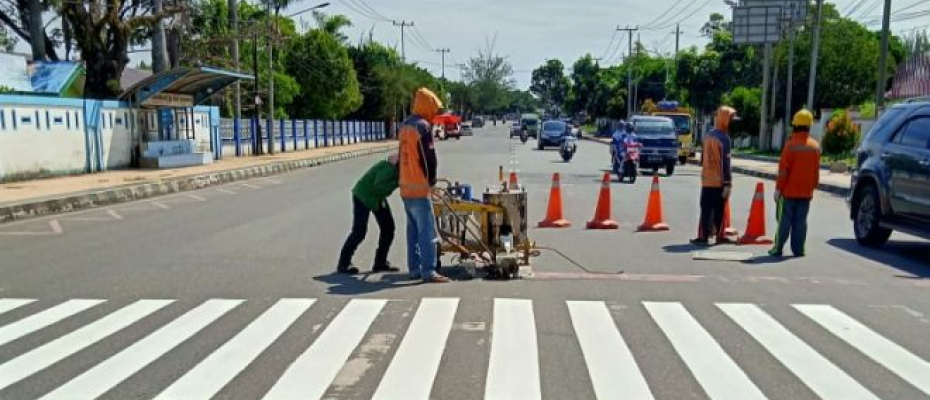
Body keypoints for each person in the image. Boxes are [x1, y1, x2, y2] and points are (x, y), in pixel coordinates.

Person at [399, 88, 450, 283]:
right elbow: (429, 159)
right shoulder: (422, 127)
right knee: (427, 231)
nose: (435, 112)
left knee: (412, 231)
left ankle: (414, 269)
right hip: (419, 187)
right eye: (434, 108)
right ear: (427, 105)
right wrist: (432, 182)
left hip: (406, 187)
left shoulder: (405, 125)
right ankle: (428, 271)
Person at [336, 154, 402, 275]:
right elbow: (378, 185)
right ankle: (343, 263)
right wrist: (397, 183)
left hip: (377, 197)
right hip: (363, 195)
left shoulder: (396, 167)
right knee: (359, 231)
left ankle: (380, 262)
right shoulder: (389, 169)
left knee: (388, 228)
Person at [770, 109, 821, 257]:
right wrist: (813, 187)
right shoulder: (815, 146)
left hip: (789, 192)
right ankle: (799, 250)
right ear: (809, 126)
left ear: (795, 125)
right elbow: (816, 170)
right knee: (800, 221)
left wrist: (778, 189)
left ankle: (778, 248)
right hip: (806, 192)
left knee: (784, 221)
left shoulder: (790, 146)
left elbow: (783, 171)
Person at [691, 106, 737, 246]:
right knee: (719, 211)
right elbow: (725, 163)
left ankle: (703, 237)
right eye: (730, 120)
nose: (731, 123)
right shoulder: (724, 139)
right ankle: (720, 236)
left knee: (705, 209)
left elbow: (702, 160)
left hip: (706, 180)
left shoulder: (708, 136)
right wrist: (727, 183)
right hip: (719, 182)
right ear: (725, 120)